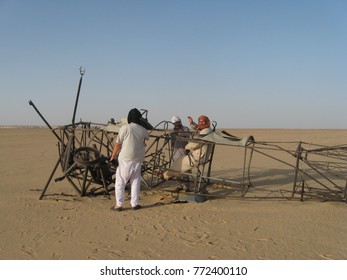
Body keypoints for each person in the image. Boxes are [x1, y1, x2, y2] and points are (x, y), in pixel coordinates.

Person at [110, 108, 149, 211]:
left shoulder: (125, 128)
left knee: (120, 182)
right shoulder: (143, 129)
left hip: (125, 159)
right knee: (135, 181)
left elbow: (118, 144)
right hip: (138, 158)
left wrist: (113, 156)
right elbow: (146, 137)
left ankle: (119, 205)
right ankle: (134, 204)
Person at [162, 115, 213, 192]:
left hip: (189, 153)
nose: (176, 124)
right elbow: (199, 128)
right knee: (177, 168)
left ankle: (184, 185)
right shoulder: (173, 131)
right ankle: (180, 185)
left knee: (182, 168)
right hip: (177, 151)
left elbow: (195, 140)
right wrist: (192, 123)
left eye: (177, 122)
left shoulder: (186, 129)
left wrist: (187, 147)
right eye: (175, 123)